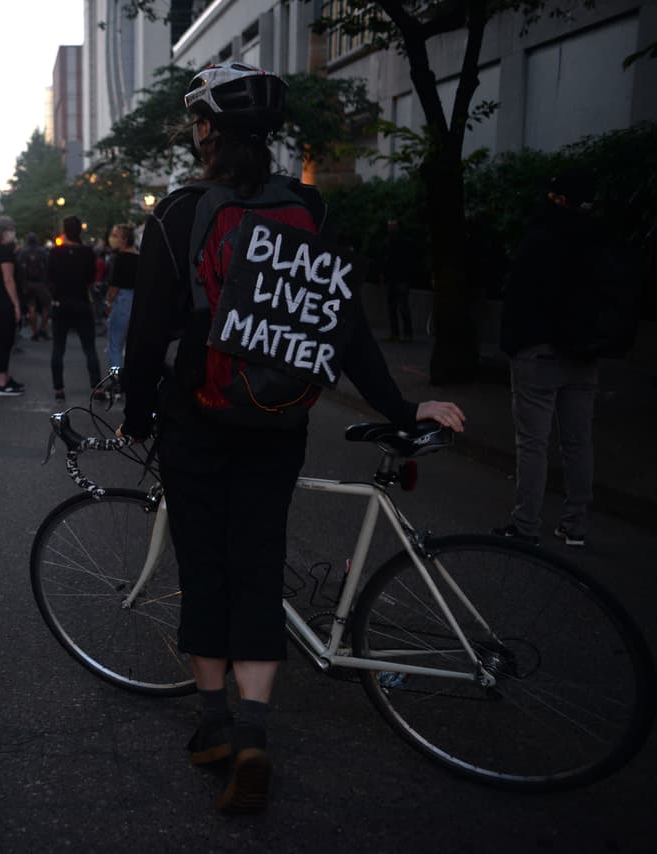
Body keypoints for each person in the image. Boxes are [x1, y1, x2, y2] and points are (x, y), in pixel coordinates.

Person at [120, 61, 465, 814]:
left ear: (206, 132)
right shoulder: (308, 208)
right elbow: (344, 326)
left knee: (204, 567)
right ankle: (254, 731)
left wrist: (138, 416)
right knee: (257, 563)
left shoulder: (177, 214)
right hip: (278, 423)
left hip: (196, 420)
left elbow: (146, 336)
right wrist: (402, 407)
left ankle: (213, 724)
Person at [493, 167, 601, 548]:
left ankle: (526, 525)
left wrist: (513, 344)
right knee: (578, 441)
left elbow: (517, 293)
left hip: (538, 352)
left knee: (533, 442)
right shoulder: (599, 240)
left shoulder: (541, 237)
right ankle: (576, 525)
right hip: (584, 354)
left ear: (559, 199)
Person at [47, 215, 101, 402]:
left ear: (64, 230)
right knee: (89, 347)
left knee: (58, 348)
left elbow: (50, 277)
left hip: (61, 303)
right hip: (81, 302)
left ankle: (59, 388)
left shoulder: (55, 253)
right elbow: (90, 278)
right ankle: (96, 385)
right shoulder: (87, 252)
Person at [0, 215, 24, 396]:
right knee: (5, 341)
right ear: (4, 232)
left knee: (3, 340)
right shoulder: (4, 252)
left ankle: (5, 378)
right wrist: (16, 305)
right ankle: (2, 383)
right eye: (11, 229)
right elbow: (8, 279)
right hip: (4, 301)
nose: (13, 233)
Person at [103, 222, 139, 376]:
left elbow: (114, 286)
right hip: (138, 302)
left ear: (124, 240)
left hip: (122, 301)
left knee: (115, 345)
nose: (112, 239)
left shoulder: (121, 259)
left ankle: (116, 378)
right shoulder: (140, 258)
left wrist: (108, 302)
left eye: (115, 236)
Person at [380, 218, 418, 342]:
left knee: (402, 307)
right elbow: (385, 260)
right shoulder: (388, 243)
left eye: (393, 226)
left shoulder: (403, 243)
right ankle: (398, 333)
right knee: (394, 307)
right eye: (389, 226)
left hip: (401, 278)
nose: (390, 229)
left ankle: (405, 334)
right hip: (394, 278)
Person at [16, 232, 51, 341]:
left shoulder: (23, 253)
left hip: (28, 283)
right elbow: (48, 267)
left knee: (31, 307)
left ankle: (34, 332)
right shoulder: (42, 252)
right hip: (41, 284)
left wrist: (22, 284)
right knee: (46, 306)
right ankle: (43, 329)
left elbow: (19, 269)